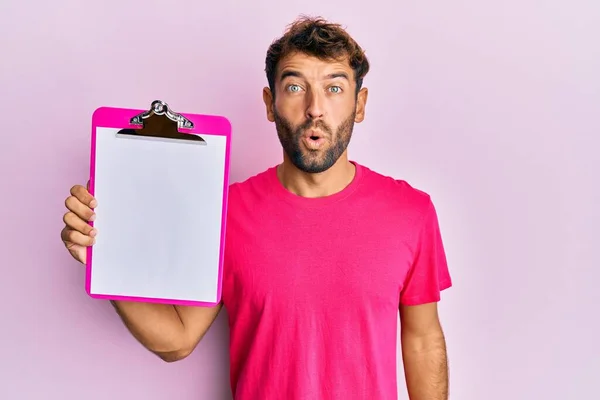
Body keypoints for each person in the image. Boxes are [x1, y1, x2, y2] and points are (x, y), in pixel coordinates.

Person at [61, 15, 452, 400]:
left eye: (334, 88)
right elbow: (177, 340)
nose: (315, 108)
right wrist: (104, 256)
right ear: (270, 103)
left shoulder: (410, 213)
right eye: (296, 86)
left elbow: (422, 339)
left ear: (359, 104)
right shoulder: (226, 212)